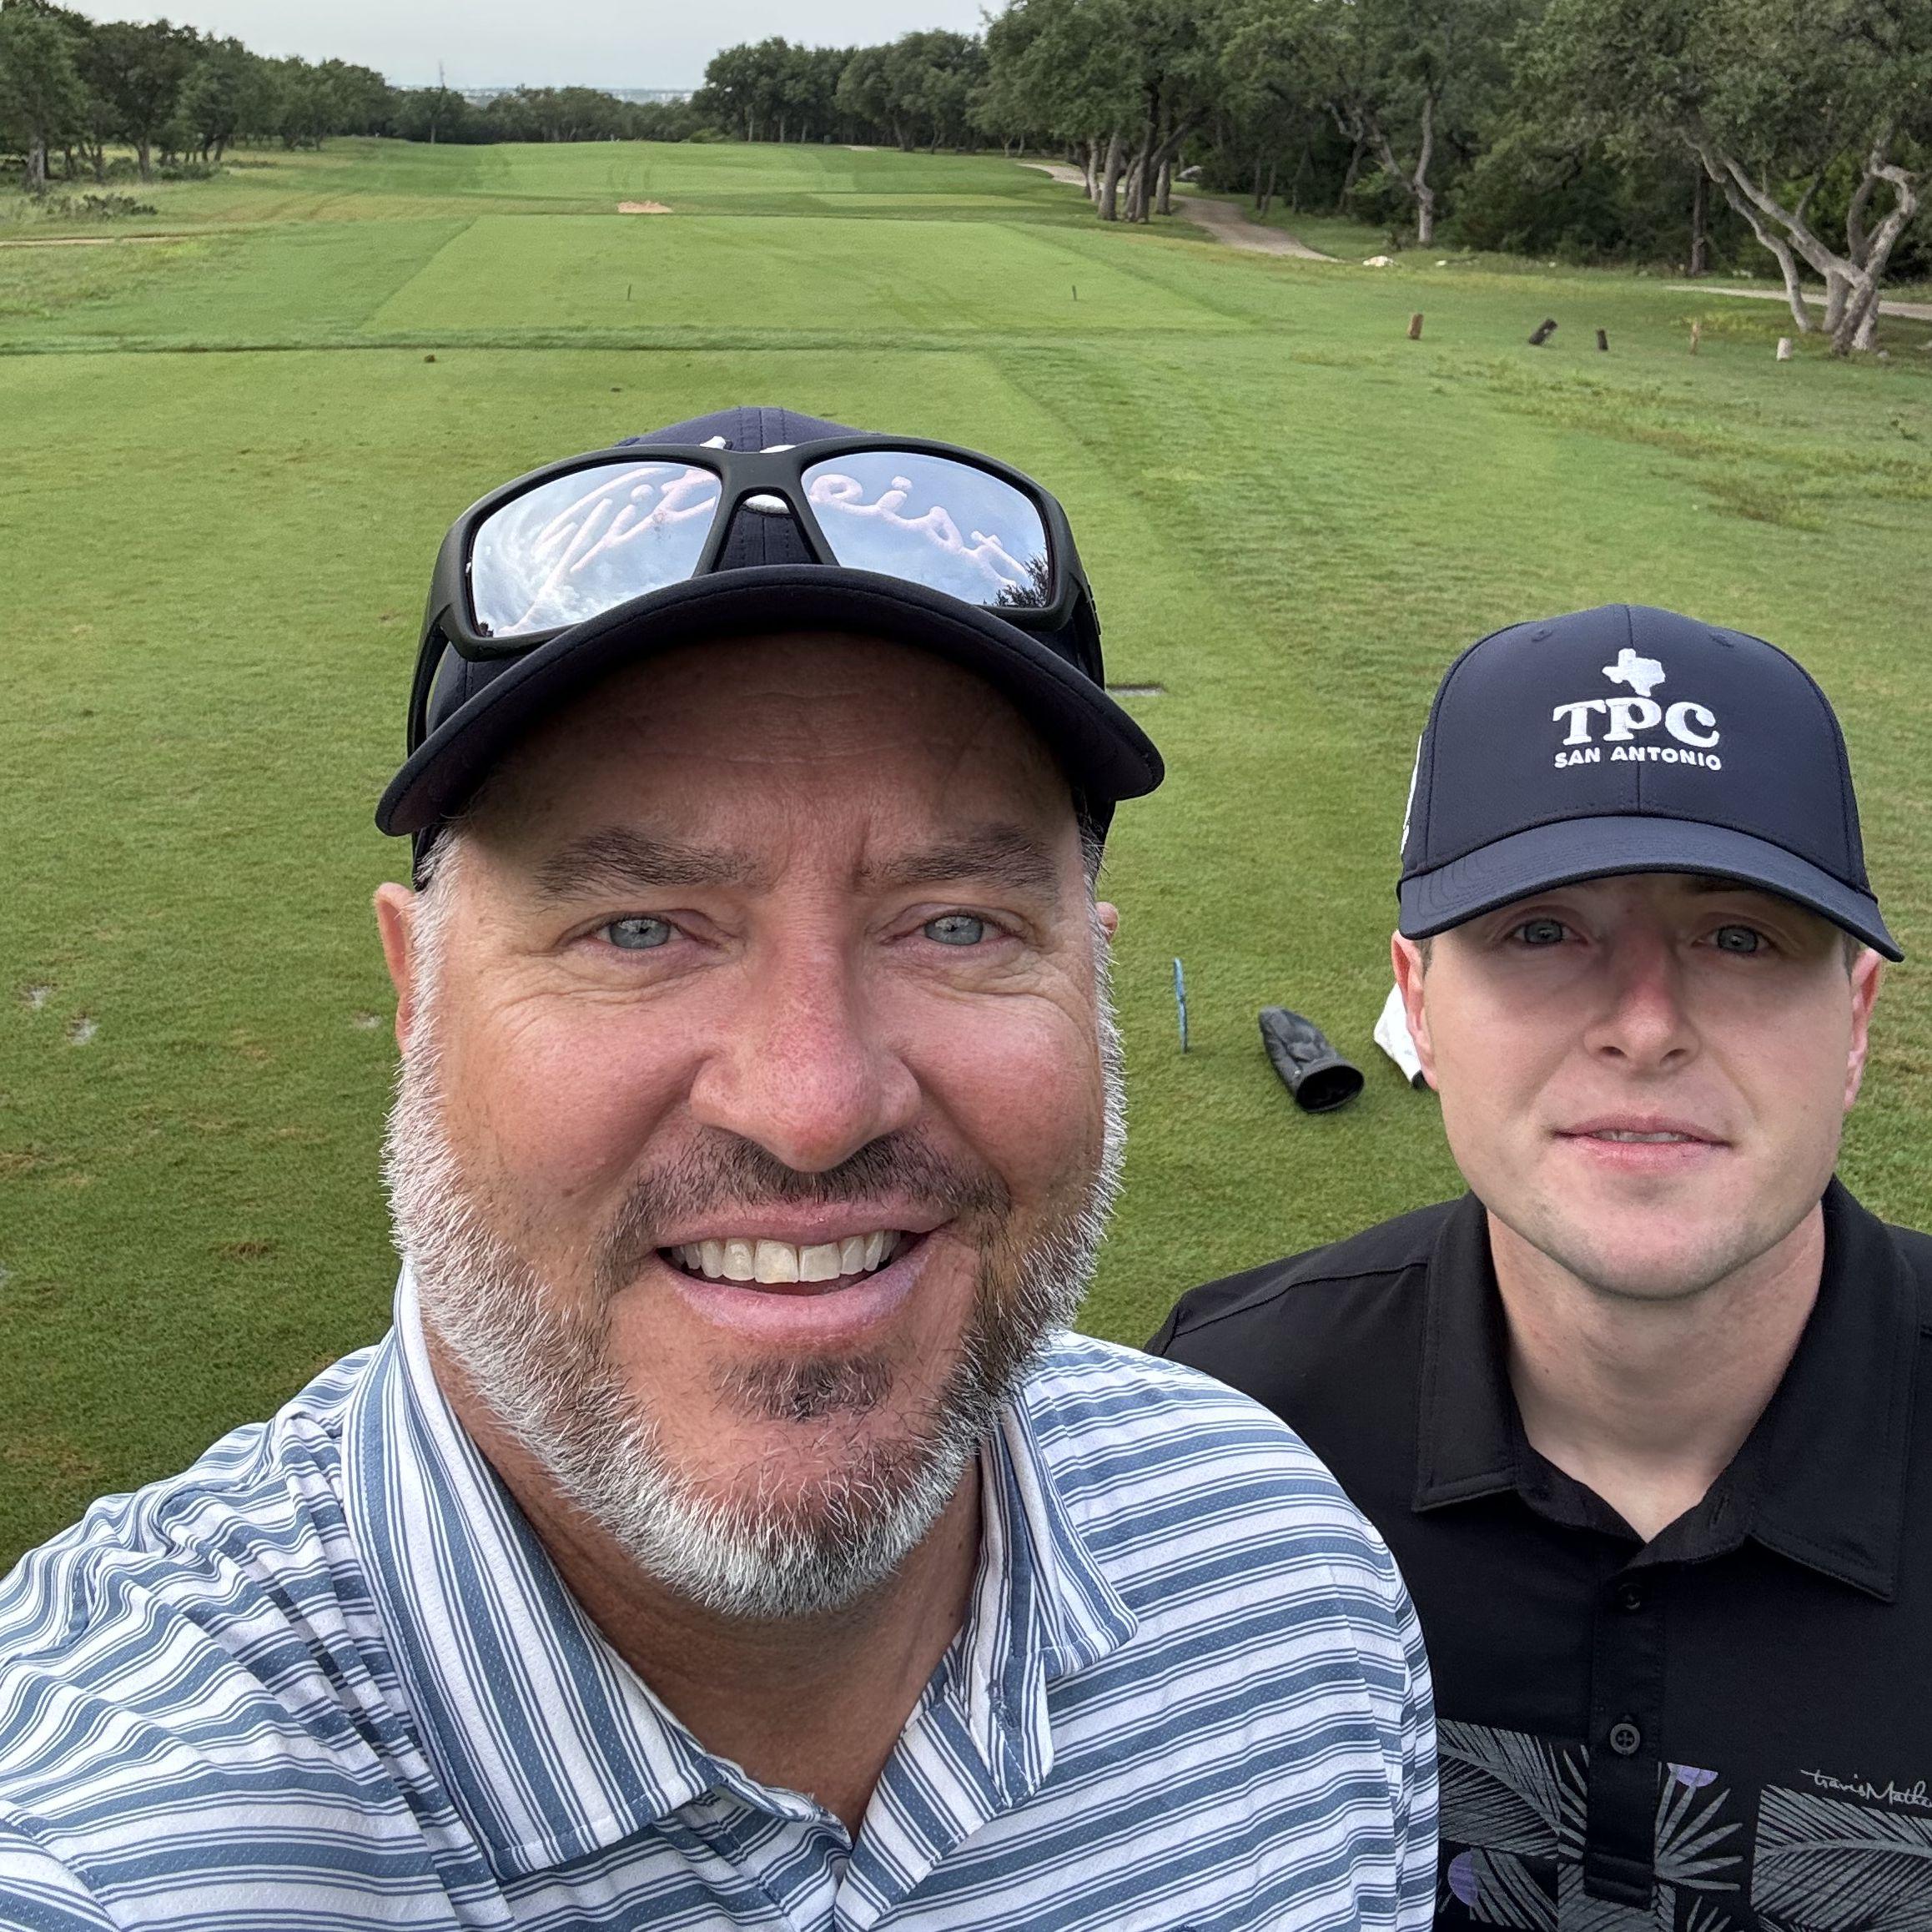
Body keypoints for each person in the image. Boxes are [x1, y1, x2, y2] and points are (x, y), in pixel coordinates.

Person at [0, 407, 1435, 1929]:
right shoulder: (103, 1845)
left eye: (958, 925)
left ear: (1090, 979)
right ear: (418, 997)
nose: (812, 1107)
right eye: (637, 929)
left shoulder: (1292, 1586)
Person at [1153, 603, 1929, 1932]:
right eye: (1542, 932)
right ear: (1418, 1004)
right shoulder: (1225, 1438)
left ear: (1853, 1022)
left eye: (1740, 937)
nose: (1645, 1026)